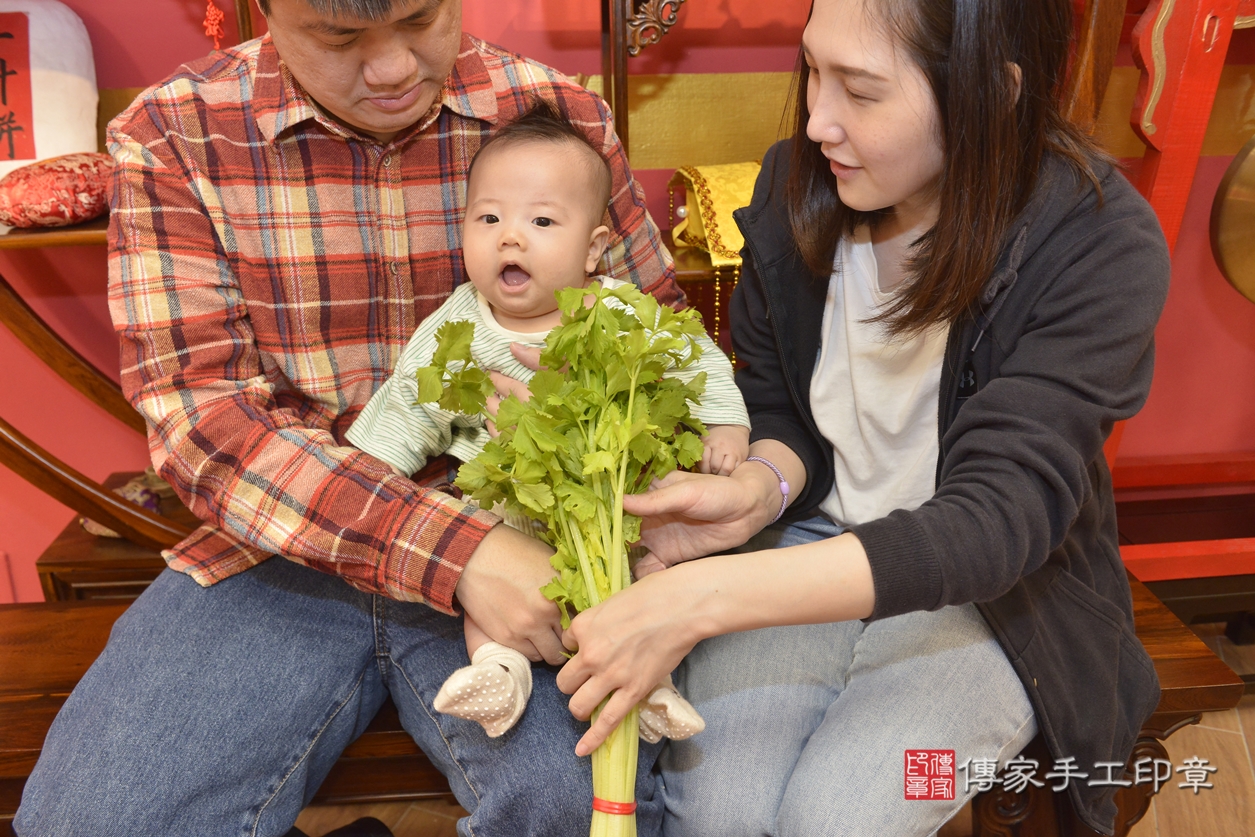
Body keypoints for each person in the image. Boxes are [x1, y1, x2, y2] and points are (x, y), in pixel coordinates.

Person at [15, 1, 685, 836]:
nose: (394, 67)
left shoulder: (557, 114)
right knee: (91, 820)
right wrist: (456, 551)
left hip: (529, 535)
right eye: (339, 38)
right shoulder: (175, 133)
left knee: (579, 805)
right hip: (279, 548)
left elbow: (658, 336)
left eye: (419, 17)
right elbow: (205, 424)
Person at [554, 0, 1169, 835]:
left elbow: (997, 519)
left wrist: (705, 595)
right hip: (808, 546)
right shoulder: (793, 189)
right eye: (811, 69)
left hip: (999, 601)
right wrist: (760, 490)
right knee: (718, 816)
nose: (816, 123)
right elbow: (783, 410)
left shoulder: (1095, 242)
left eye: (861, 91)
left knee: (833, 819)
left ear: (991, 90)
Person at [345, 101, 748, 739]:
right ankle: (498, 671)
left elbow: (691, 355)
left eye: (540, 220)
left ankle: (651, 688)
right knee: (482, 591)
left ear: (593, 250)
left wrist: (726, 425)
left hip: (611, 508)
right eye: (489, 218)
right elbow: (407, 404)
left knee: (647, 582)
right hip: (505, 514)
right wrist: (372, 472)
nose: (511, 236)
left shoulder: (616, 308)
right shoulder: (455, 326)